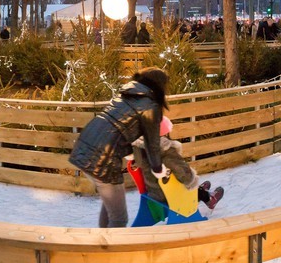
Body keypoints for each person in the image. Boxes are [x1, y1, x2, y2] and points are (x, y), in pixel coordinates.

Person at [69, 68, 170, 228]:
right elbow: (152, 143)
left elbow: (118, 128)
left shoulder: (124, 96)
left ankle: (104, 242)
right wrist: (158, 168)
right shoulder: (150, 106)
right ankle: (109, 251)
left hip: (83, 149)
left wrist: (129, 153)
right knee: (119, 219)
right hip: (103, 161)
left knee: (110, 204)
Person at [132, 117, 224, 211]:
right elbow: (183, 172)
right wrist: (193, 181)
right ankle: (207, 198)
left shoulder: (140, 148)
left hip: (153, 191)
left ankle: (200, 189)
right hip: (168, 195)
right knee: (187, 178)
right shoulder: (166, 151)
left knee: (175, 176)